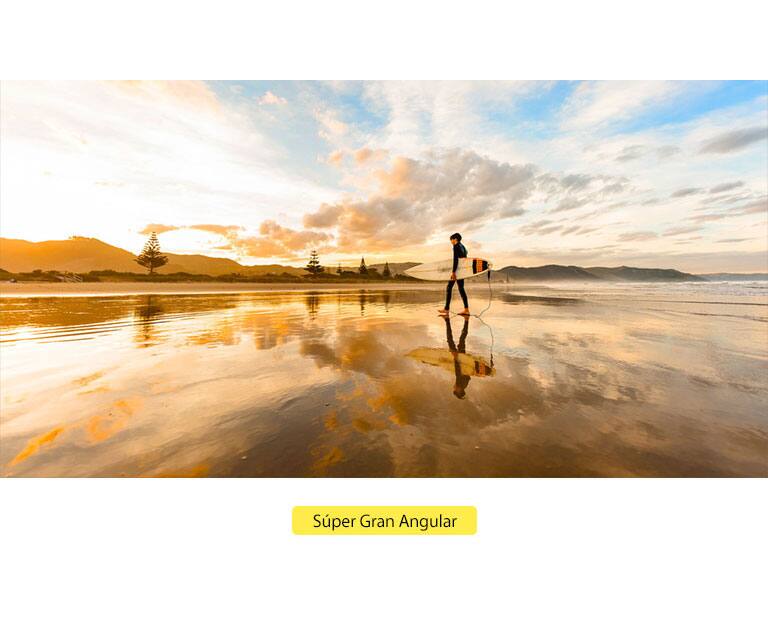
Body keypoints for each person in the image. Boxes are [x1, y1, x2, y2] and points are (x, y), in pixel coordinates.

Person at [438, 233, 469, 316]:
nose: (451, 242)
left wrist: (453, 272)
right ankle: (466, 309)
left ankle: (446, 309)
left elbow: (456, 260)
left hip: (457, 271)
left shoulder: (456, 246)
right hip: (462, 271)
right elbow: (465, 258)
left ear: (455, 239)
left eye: (451, 240)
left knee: (449, 287)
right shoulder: (463, 247)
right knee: (461, 289)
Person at [444, 314, 471, 399]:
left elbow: (468, 376)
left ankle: (465, 320)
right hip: (459, 358)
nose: (454, 387)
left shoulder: (464, 385)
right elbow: (459, 371)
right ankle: (448, 320)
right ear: (458, 390)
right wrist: (456, 358)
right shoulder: (460, 383)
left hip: (462, 358)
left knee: (461, 339)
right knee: (450, 339)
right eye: (455, 389)